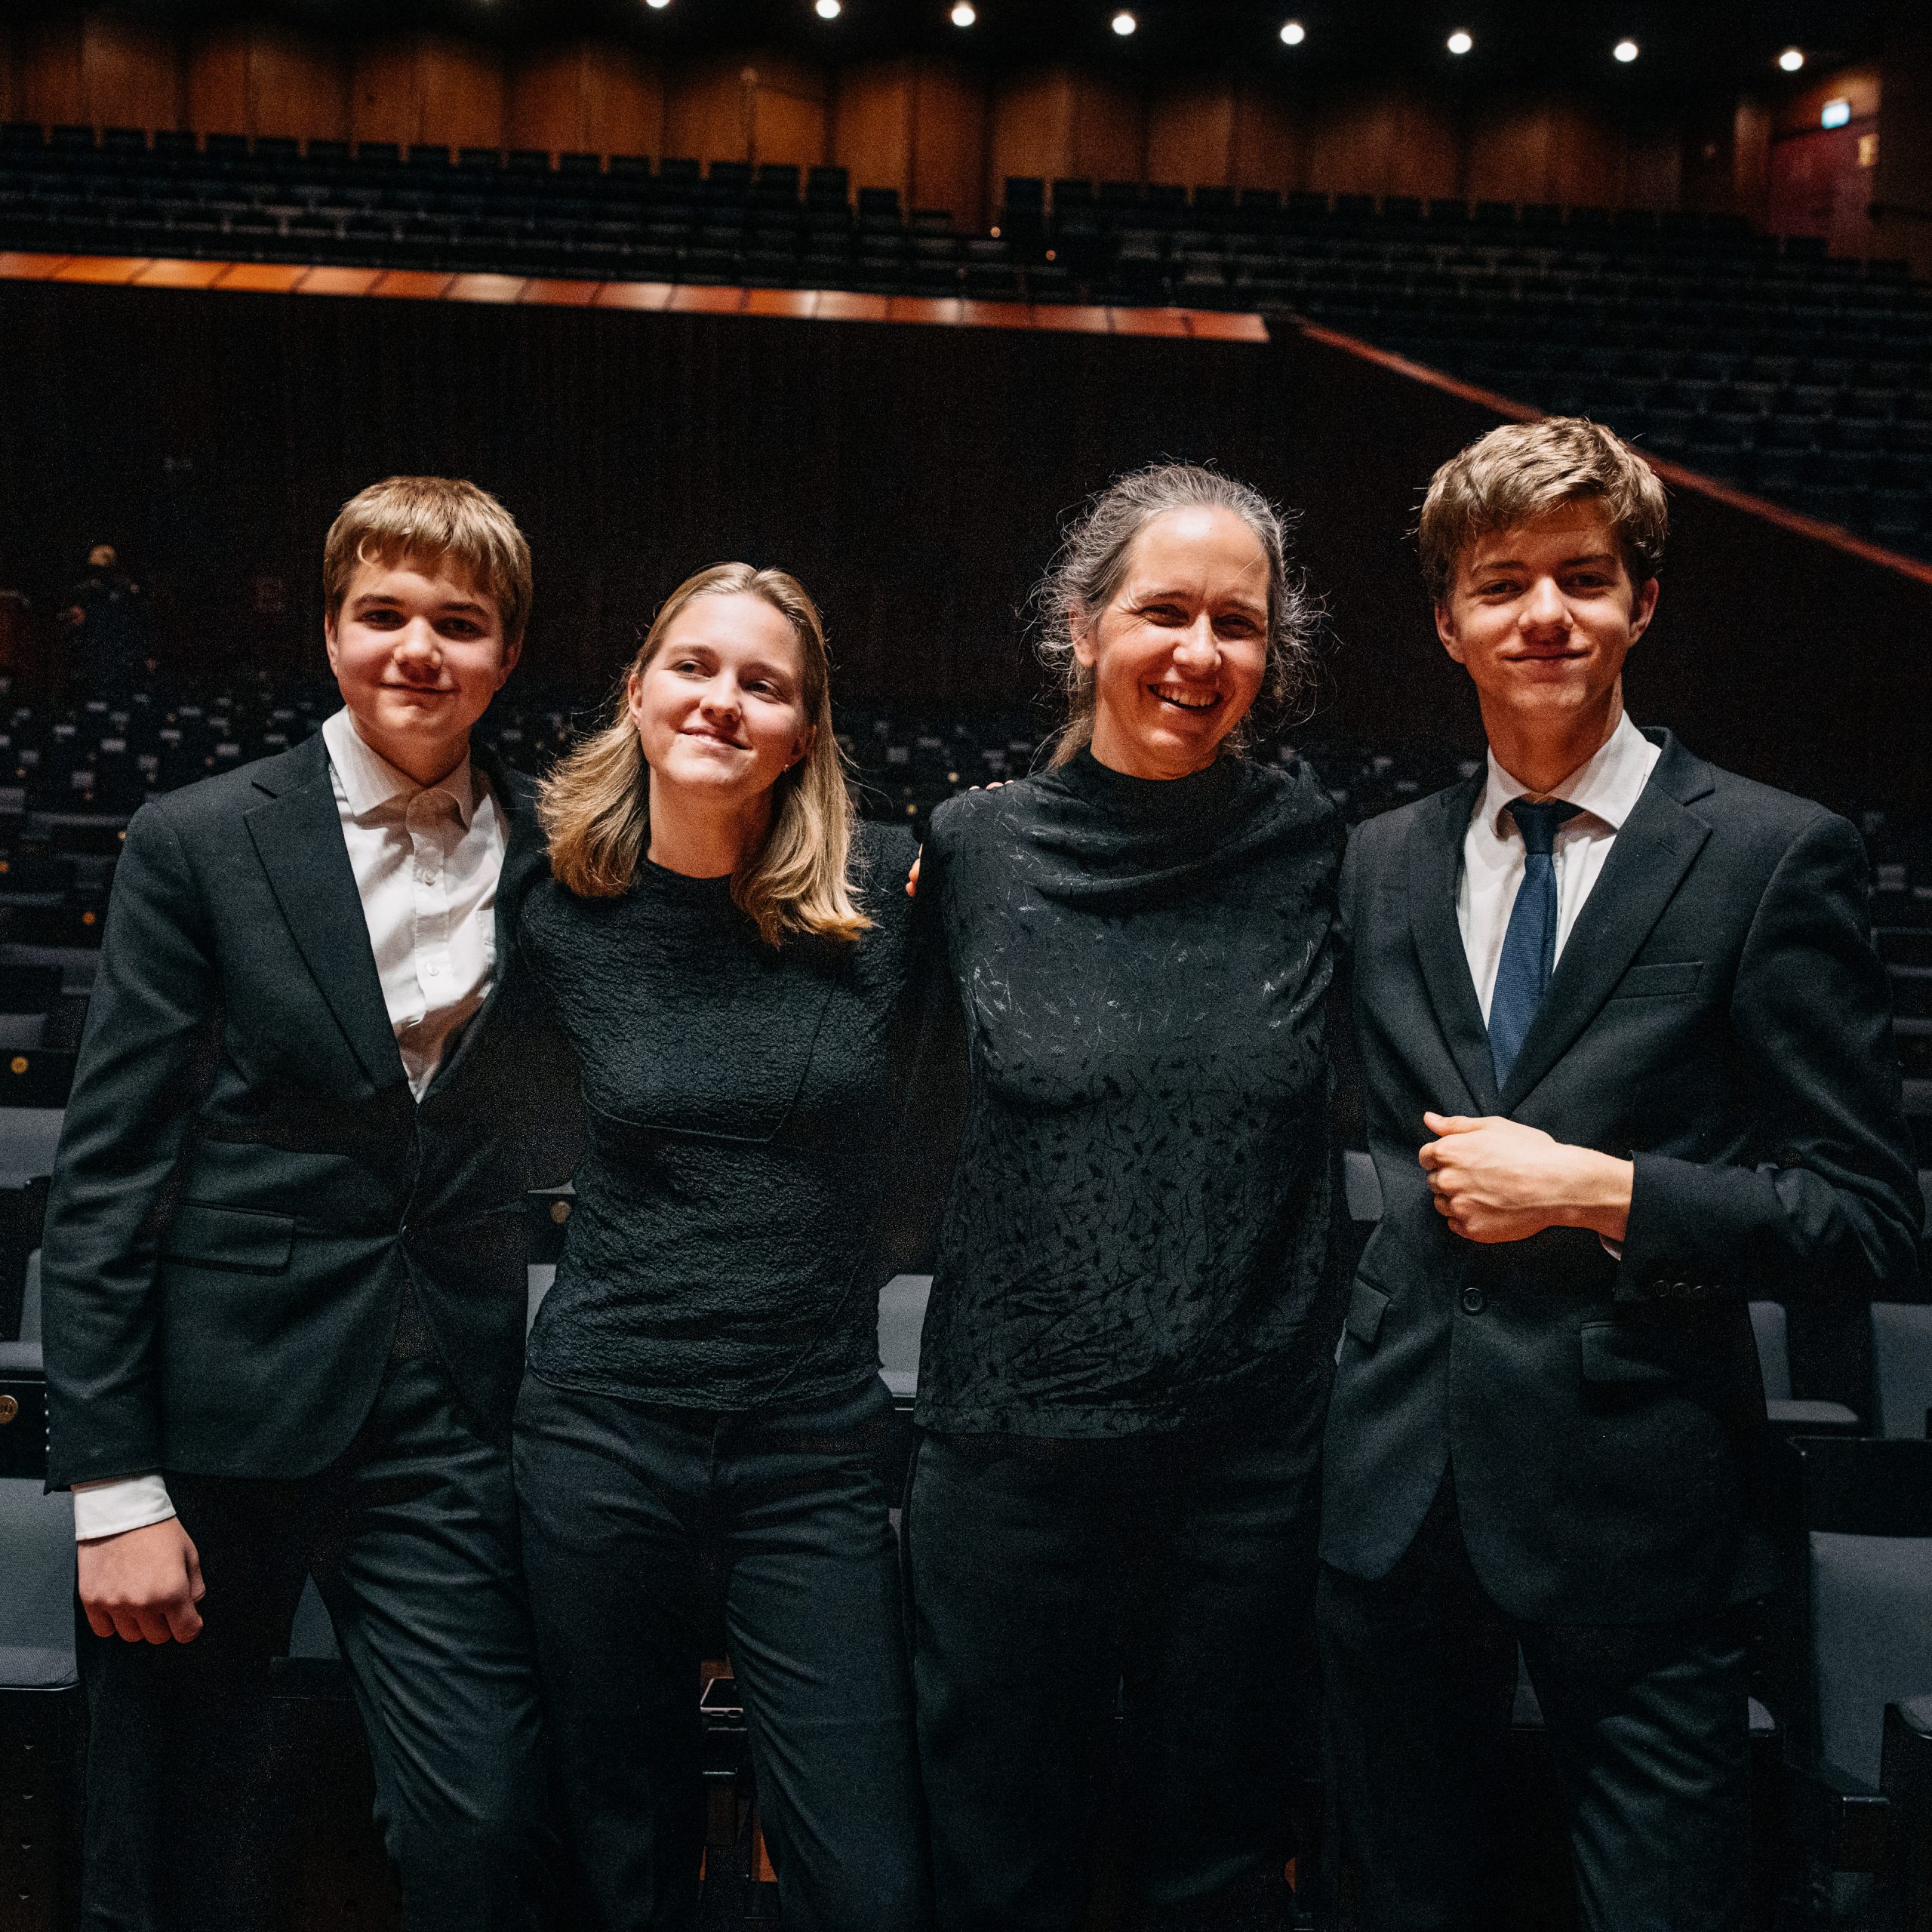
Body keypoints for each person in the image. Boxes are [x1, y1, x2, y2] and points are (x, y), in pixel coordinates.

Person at [1318, 417, 1924, 1930]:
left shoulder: (1770, 854)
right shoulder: (1375, 861)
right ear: (1444, 616)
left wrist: (1601, 1189)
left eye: (1581, 578)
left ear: (1638, 602)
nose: (1542, 614)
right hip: (1392, 1500)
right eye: (1501, 580)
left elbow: (1859, 1219)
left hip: (1644, 1513)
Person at [42, 476, 583, 1932]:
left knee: (484, 1824)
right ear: (332, 630)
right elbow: (106, 1178)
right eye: (383, 614)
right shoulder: (201, 836)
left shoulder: (560, 847)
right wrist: (111, 1486)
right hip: (218, 1409)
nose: (419, 649)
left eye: (459, 624)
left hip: (444, 1413)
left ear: (508, 653)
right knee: (164, 1841)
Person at [906, 463, 1345, 1930]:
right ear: (1081, 626)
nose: (1200, 651)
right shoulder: (972, 848)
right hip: (1010, 1450)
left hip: (1242, 1464)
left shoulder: (1312, 848)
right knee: (994, 1852)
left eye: (1237, 622)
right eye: (1165, 610)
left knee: (1212, 1858)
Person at [513, 563, 934, 1932]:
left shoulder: (889, 897)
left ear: (804, 731)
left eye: (764, 683)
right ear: (636, 691)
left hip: (808, 1449)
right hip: (602, 1433)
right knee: (615, 1854)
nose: (723, 701)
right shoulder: (551, 900)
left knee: (868, 1875)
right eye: (694, 667)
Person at [60, 541, 153, 697]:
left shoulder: (126, 590)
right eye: (95, 569)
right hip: (91, 650)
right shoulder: (84, 591)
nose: (99, 573)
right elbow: (72, 620)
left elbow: (142, 621)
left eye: (103, 569)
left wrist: (146, 653)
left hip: (121, 651)